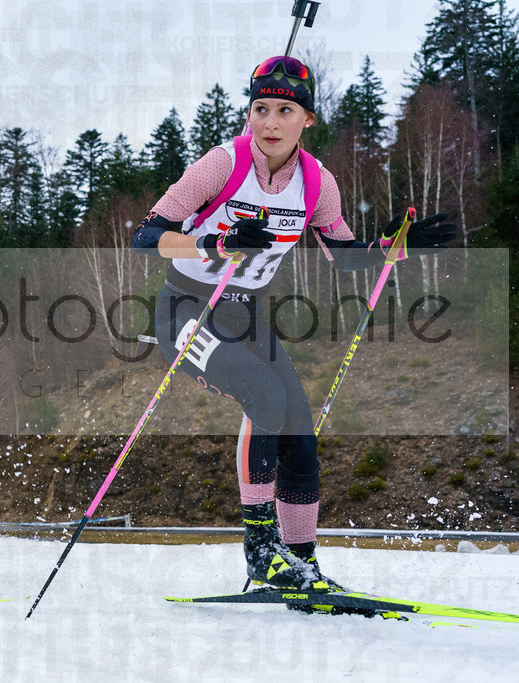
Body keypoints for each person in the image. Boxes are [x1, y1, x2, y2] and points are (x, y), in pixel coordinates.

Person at [131, 56, 455, 591]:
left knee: (299, 436)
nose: (270, 123)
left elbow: (345, 255)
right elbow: (146, 237)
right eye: (260, 109)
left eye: (285, 110)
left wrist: (396, 247)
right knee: (262, 394)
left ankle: (302, 565)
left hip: (246, 314)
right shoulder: (220, 164)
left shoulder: (316, 182)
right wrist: (215, 243)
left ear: (308, 120)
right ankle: (261, 550)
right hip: (186, 309)